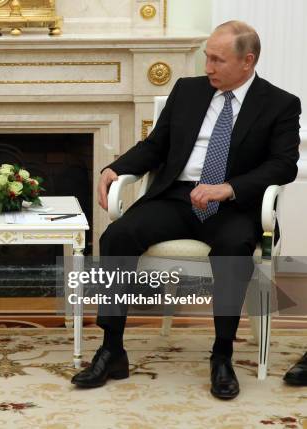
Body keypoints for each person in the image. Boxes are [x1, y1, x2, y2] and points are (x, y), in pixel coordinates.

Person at [71, 21, 301, 400]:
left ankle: (222, 356)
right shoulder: (188, 91)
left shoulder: (279, 103)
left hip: (233, 205)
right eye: (206, 57)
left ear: (247, 61)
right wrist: (117, 167)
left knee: (232, 250)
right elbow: (157, 146)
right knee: (116, 236)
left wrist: (228, 188)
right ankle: (112, 348)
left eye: (216, 60)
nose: (207, 67)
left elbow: (282, 165)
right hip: (177, 197)